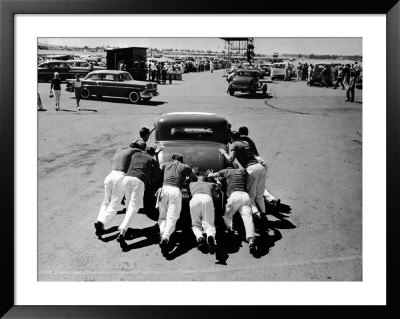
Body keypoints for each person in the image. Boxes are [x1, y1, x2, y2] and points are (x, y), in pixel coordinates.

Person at [94, 144, 143, 237]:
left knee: (106, 202)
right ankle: (102, 222)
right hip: (120, 177)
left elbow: (133, 145)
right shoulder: (134, 151)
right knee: (114, 204)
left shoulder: (120, 149)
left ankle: (99, 220)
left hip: (110, 176)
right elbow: (142, 153)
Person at [117, 147, 161, 248]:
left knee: (128, 206)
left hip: (126, 179)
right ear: (152, 154)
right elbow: (157, 175)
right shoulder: (151, 159)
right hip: (138, 182)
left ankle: (125, 229)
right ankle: (122, 231)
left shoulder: (136, 155)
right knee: (134, 207)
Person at [207, 167, 257, 255]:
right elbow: (251, 178)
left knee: (228, 215)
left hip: (234, 196)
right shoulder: (242, 170)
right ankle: (251, 241)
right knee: (248, 219)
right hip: (245, 196)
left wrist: (210, 174)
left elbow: (214, 175)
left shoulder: (226, 171)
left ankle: (230, 228)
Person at [219, 131, 267, 220]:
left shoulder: (234, 145)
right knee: (259, 195)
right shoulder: (245, 142)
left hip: (251, 169)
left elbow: (230, 160)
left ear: (231, 138)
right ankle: (263, 214)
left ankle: (256, 214)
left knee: (250, 196)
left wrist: (224, 152)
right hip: (260, 167)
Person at [157, 154, 198, 255]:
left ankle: (163, 232)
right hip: (175, 191)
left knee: (162, 216)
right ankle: (165, 238)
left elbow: (159, 171)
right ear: (181, 160)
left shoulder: (166, 164)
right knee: (172, 217)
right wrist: (192, 173)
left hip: (164, 189)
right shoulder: (185, 166)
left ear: (172, 159)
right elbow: (195, 179)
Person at [238, 126, 280, 207]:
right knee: (259, 184)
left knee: (253, 186)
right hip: (261, 162)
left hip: (254, 163)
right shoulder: (249, 140)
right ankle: (272, 199)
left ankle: (255, 209)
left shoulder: (242, 139)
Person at [189, 174, 221, 254]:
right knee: (209, 223)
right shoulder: (210, 184)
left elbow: (187, 180)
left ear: (198, 178)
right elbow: (219, 186)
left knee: (195, 224)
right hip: (207, 198)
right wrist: (216, 179)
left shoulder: (192, 184)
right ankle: (210, 236)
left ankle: (200, 238)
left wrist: (193, 174)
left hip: (195, 199)